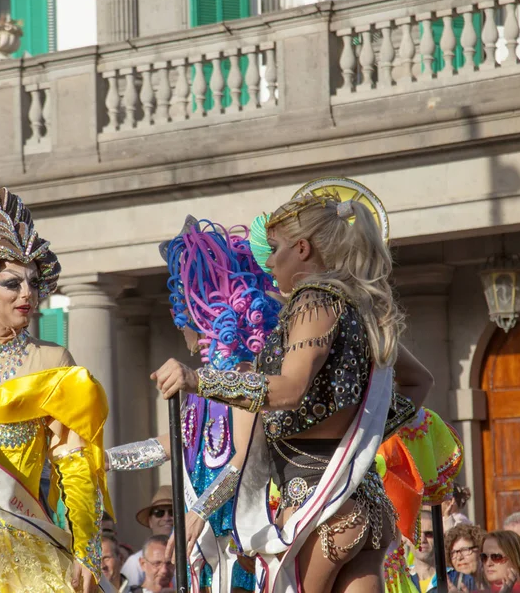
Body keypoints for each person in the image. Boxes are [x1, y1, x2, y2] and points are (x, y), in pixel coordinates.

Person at [151, 178, 435, 592]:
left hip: (316, 506)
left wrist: (198, 380)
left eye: (277, 247)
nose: (270, 262)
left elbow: (290, 388)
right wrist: (355, 433)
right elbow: (418, 381)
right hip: (367, 507)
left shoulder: (314, 300)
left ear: (303, 249)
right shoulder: (361, 309)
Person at [0, 185, 112, 593]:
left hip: (24, 544)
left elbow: (76, 465)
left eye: (32, 282)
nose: (28, 293)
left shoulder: (53, 360)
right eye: (13, 283)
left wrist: (87, 550)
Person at [108, 217, 280, 592]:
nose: (176, 320)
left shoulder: (243, 373)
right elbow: (164, 446)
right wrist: (100, 460)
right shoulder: (200, 386)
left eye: (181, 309)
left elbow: (242, 459)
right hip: (208, 547)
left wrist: (199, 511)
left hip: (243, 542)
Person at [121, 487, 174, 588]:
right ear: (150, 521)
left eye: (172, 512)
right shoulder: (134, 562)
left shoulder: (191, 556)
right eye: (159, 513)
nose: (166, 518)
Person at [443, 523, 485, 591]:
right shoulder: (446, 588)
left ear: (480, 550)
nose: (459, 557)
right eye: (453, 553)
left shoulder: (496, 583)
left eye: (465, 550)